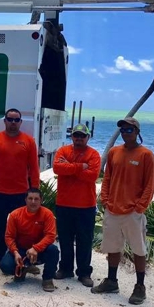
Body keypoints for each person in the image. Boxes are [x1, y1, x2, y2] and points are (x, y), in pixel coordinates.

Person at [91, 117, 154, 305]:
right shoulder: (114, 152)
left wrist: (139, 208)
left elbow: (150, 184)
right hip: (112, 209)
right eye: (123, 130)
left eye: (129, 130)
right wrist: (105, 200)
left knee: (138, 250)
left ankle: (140, 286)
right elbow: (108, 177)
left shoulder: (146, 155)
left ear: (137, 132)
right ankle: (112, 281)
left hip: (133, 213)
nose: (126, 133)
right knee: (112, 248)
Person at [0, 108, 41, 271]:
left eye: (16, 120)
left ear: (20, 122)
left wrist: (35, 192)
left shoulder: (28, 141)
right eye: (10, 119)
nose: (13, 123)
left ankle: (25, 260)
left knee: (23, 229)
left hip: (20, 194)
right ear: (5, 121)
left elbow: (34, 168)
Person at [52, 123, 101, 287]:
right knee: (64, 239)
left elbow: (92, 176)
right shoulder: (63, 151)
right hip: (64, 203)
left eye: (82, 135)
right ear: (71, 136)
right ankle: (65, 268)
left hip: (86, 205)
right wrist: (80, 167)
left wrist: (69, 168)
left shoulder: (94, 154)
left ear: (88, 137)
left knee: (85, 241)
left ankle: (84, 272)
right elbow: (57, 168)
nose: (79, 138)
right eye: (76, 135)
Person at [0, 188, 59, 292]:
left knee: (53, 250)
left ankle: (48, 279)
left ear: (41, 200)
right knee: (5, 266)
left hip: (40, 250)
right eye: (30, 198)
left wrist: (36, 248)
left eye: (36, 199)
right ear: (25, 200)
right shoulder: (15, 215)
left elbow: (50, 235)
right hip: (21, 250)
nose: (33, 202)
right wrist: (15, 252)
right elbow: (9, 237)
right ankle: (23, 268)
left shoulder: (47, 214)